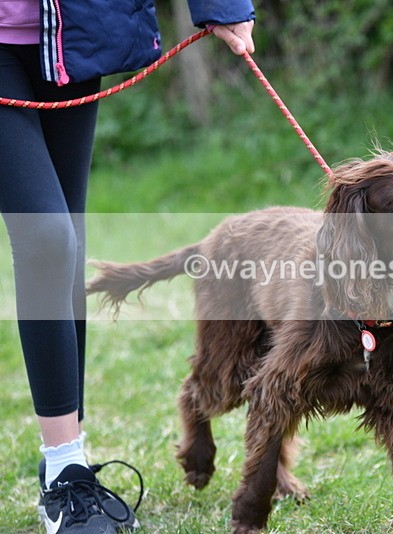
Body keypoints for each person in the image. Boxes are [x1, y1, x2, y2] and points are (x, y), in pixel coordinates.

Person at [0, 0, 255, 532]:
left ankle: (66, 460)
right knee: (45, 237)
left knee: (67, 235)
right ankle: (64, 474)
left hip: (74, 30)